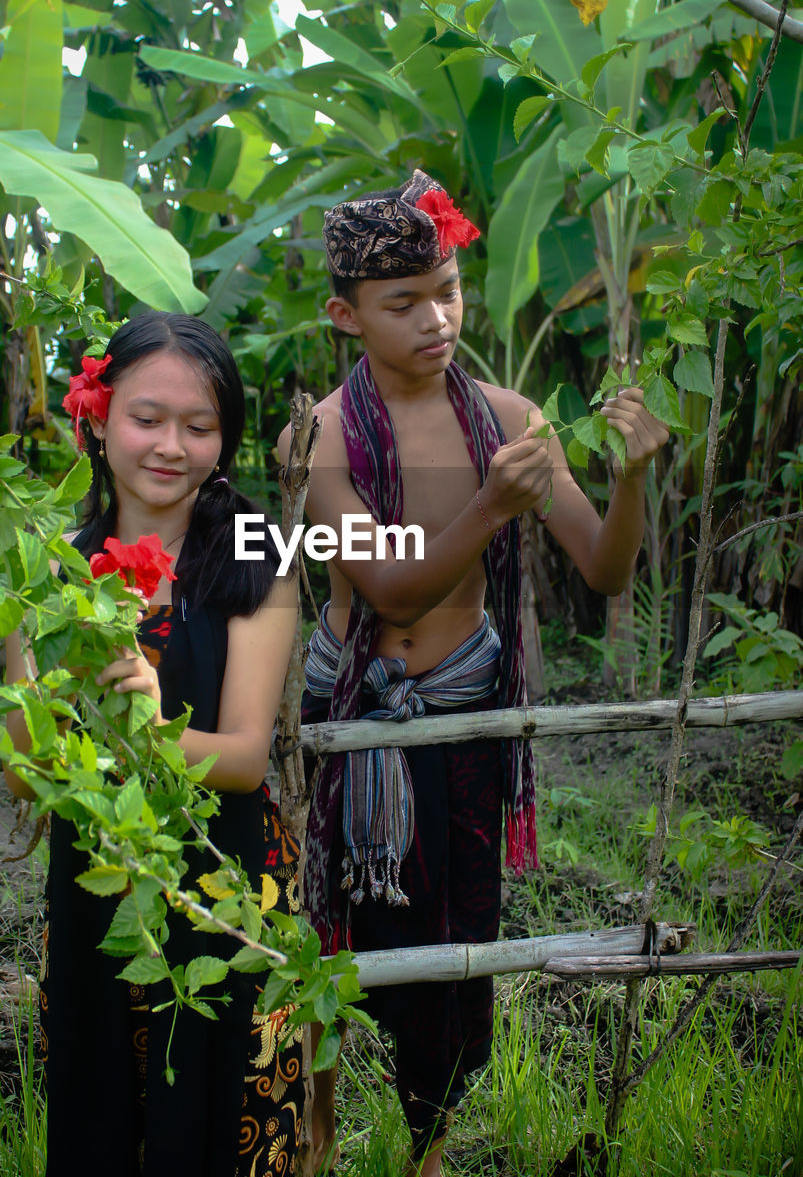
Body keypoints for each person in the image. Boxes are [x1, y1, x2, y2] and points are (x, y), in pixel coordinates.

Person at [279, 170, 669, 1176]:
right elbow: (386, 589)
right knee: (328, 925)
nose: (434, 318)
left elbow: (604, 563)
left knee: (457, 935)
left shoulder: (507, 414)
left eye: (446, 290)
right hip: (350, 712)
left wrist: (629, 476)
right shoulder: (316, 435)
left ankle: (430, 1142)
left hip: (461, 707)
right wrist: (491, 508)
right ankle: (315, 1130)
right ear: (344, 314)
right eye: (401, 303)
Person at [4, 312, 301, 1177]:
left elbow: (245, 757)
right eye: (147, 418)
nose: (171, 445)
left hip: (227, 884)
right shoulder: (50, 568)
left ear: (225, 438)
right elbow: (28, 775)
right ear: (97, 418)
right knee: (103, 1119)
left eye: (199, 426)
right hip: (99, 887)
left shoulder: (262, 558)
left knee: (224, 1125)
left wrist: (150, 719)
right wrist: (65, 682)